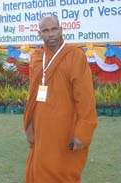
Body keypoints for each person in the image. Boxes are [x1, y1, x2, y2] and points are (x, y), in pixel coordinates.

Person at [24, 15, 98, 183]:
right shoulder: (37, 57)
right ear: (39, 34)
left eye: (54, 29)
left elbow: (85, 98)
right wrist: (29, 124)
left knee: (63, 173)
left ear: (61, 29)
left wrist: (83, 132)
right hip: (41, 131)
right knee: (40, 171)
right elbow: (32, 95)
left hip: (65, 132)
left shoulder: (75, 56)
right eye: (45, 31)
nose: (50, 34)